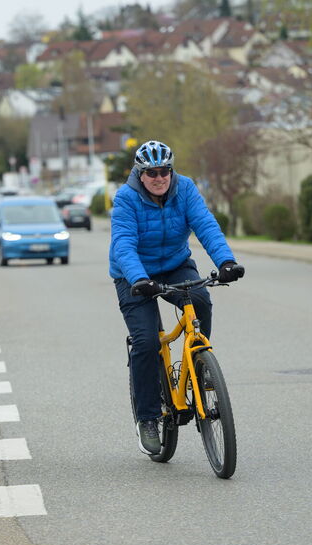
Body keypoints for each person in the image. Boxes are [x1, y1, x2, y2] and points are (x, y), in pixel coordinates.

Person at [109, 140, 245, 455]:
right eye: (151, 172)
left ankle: (198, 365)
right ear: (140, 174)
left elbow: (206, 226)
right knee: (146, 341)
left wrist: (225, 261)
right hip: (134, 274)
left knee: (200, 301)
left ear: (172, 171)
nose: (159, 177)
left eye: (165, 171)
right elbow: (124, 244)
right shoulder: (126, 198)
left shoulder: (185, 189)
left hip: (175, 266)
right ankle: (148, 418)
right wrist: (139, 279)